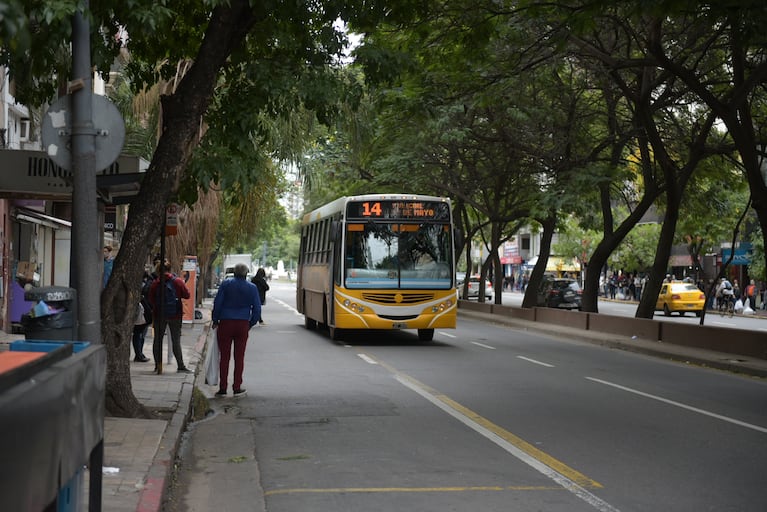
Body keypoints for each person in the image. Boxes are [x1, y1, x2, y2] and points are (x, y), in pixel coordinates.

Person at [212, 263, 261, 397]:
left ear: (234, 273)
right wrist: (250, 323)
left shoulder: (226, 284)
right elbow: (257, 309)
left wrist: (215, 319)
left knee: (224, 357)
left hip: (225, 323)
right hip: (242, 324)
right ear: (246, 274)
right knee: (239, 357)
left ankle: (222, 388)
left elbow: (218, 303)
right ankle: (237, 386)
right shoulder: (252, 288)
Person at [149, 260, 192, 374]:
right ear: (170, 269)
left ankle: (158, 366)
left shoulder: (155, 283)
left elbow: (151, 299)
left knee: (157, 340)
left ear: (158, 270)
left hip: (159, 315)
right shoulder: (177, 281)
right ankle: (180, 366)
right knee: (176, 341)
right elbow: (187, 295)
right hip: (175, 315)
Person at [131, 271, 153, 362]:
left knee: (139, 334)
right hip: (142, 313)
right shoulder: (144, 285)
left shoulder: (139, 285)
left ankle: (139, 353)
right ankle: (139, 353)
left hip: (142, 313)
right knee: (139, 334)